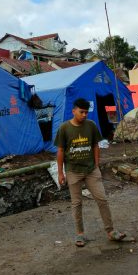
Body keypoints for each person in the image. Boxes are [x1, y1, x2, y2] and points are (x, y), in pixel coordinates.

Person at [54, 98, 126, 247]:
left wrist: (97, 165)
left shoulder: (91, 126)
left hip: (91, 170)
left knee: (102, 199)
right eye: (81, 112)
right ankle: (80, 234)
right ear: (74, 111)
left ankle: (111, 231)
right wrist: (61, 173)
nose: (84, 115)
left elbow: (95, 145)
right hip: (73, 171)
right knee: (77, 203)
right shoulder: (64, 128)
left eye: (86, 112)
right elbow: (60, 151)